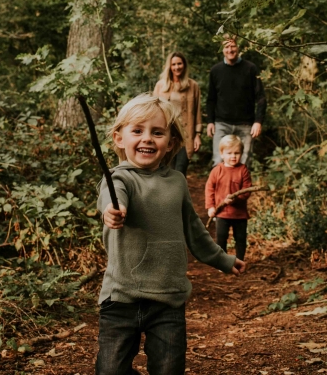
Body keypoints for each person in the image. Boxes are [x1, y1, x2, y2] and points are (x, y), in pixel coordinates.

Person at [97, 94, 245, 375]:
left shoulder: (177, 182)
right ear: (119, 138)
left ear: (171, 143)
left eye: (157, 132)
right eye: (137, 131)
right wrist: (112, 211)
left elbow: (194, 229)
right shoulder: (117, 178)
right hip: (120, 297)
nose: (147, 139)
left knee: (168, 370)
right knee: (110, 371)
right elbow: (112, 196)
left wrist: (223, 259)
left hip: (168, 299)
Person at [205, 36, 267, 166]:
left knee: (244, 164)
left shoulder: (250, 68)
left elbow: (260, 96)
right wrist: (210, 121)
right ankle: (221, 187)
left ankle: (240, 187)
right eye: (227, 47)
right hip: (222, 124)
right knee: (219, 162)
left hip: (245, 125)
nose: (230, 49)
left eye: (233, 46)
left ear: (238, 48)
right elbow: (211, 99)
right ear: (222, 49)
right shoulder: (216, 71)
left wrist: (258, 121)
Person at [152, 51, 202, 176]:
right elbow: (153, 111)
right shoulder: (160, 86)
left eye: (179, 64)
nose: (176, 67)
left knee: (180, 171)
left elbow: (197, 111)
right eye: (173, 64)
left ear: (184, 65)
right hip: (167, 134)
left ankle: (180, 195)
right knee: (165, 169)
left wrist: (198, 135)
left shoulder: (193, 86)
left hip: (185, 135)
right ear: (169, 66)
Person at [205, 134, 253, 261]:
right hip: (222, 213)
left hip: (239, 214)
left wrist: (235, 199)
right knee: (221, 238)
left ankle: (240, 260)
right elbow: (209, 189)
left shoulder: (243, 170)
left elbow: (247, 190)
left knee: (240, 239)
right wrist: (210, 206)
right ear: (222, 154)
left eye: (237, 153)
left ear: (242, 153)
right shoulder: (217, 171)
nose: (233, 156)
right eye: (229, 153)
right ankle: (223, 261)